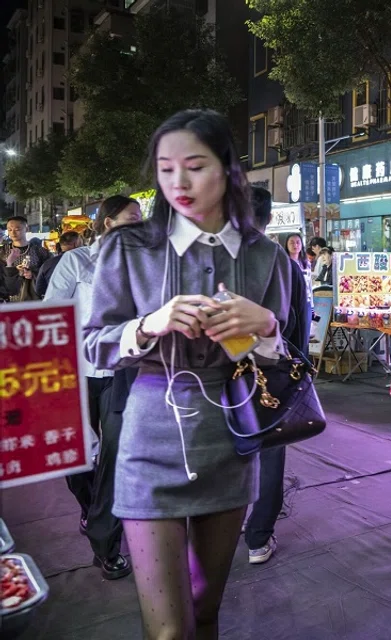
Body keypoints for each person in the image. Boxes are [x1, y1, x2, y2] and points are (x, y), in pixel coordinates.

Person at [83, 109, 292, 639]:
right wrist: (148, 324)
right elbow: (94, 346)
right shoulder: (127, 249)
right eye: (166, 168)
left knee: (206, 613)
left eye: (194, 166)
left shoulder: (265, 256)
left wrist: (265, 326)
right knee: (170, 631)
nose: (178, 181)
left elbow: (280, 359)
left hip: (229, 438)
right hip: (149, 437)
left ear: (227, 170)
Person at [46, 195, 142, 580]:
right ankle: (90, 508)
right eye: (132, 219)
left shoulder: (142, 265)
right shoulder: (76, 261)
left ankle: (105, 544)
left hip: (122, 374)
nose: (139, 224)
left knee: (117, 459)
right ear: (107, 223)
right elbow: (53, 311)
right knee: (76, 457)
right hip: (77, 371)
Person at [244, 186, 311, 565]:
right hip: (271, 374)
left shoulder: (217, 258)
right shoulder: (281, 261)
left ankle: (225, 526)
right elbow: (298, 325)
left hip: (219, 376)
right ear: (270, 219)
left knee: (230, 451)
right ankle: (258, 537)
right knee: (270, 453)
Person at [1, 216, 51, 301]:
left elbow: (50, 273)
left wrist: (33, 273)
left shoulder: (40, 251)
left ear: (26, 228)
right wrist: (13, 270)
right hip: (9, 300)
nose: (13, 233)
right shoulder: (2, 252)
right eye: (9, 230)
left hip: (34, 298)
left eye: (17, 229)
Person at [35, 231, 82, 298]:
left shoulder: (47, 264)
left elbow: (39, 290)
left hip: (55, 304)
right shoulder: (83, 262)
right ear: (76, 243)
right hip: (79, 304)